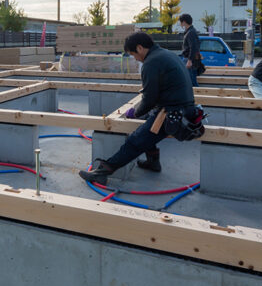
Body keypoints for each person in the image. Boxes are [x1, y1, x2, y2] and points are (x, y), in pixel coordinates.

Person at [78, 32, 204, 185]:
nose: (135, 58)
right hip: (185, 110)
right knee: (147, 128)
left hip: (173, 114)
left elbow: (150, 99)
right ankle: (153, 162)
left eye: (133, 54)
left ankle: (103, 172)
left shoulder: (151, 63)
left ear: (140, 48)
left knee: (135, 140)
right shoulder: (166, 54)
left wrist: (136, 113)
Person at [178, 13, 202, 87]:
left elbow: (193, 47)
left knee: (192, 81)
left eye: (181, 22)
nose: (180, 24)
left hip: (190, 59)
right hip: (189, 58)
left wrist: (189, 60)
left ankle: (197, 97)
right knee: (190, 80)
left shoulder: (191, 32)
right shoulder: (190, 31)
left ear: (184, 22)